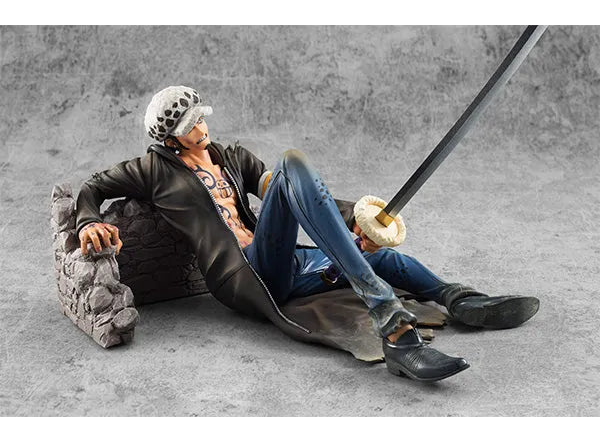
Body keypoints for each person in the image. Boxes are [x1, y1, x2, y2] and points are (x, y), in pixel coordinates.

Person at [76, 85, 539, 382]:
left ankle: (458, 299)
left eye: (200, 117)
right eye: (190, 124)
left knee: (375, 253)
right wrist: (88, 221)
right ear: (170, 138)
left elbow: (292, 194)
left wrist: (355, 216)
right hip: (242, 274)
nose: (201, 125)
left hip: (283, 261)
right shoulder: (152, 170)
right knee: (292, 162)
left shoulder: (232, 157)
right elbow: (93, 187)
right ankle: (392, 322)